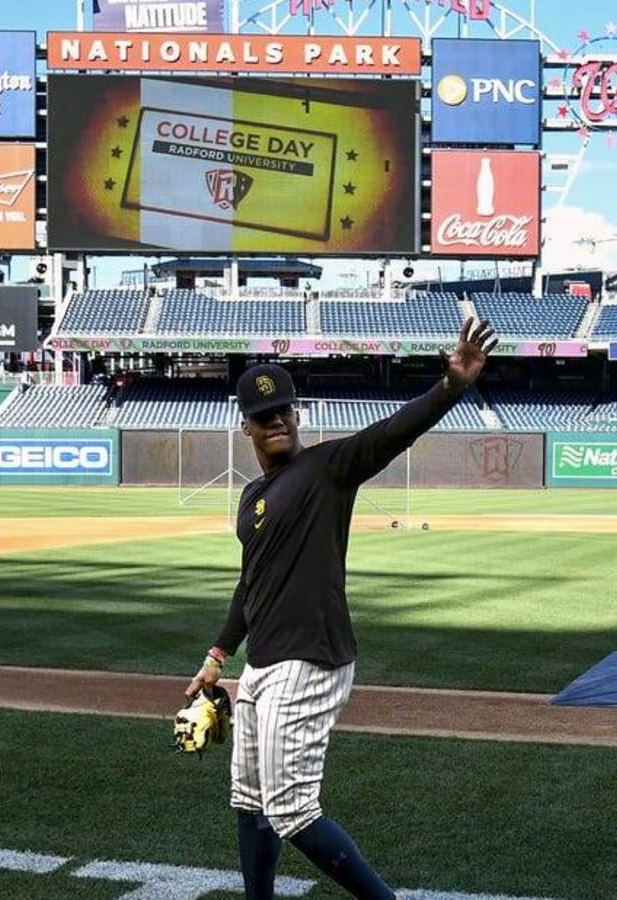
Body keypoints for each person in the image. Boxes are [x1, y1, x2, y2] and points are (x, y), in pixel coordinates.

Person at [185, 318, 499, 900]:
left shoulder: (328, 468)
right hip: (262, 666)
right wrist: (217, 655)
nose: (275, 421)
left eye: (283, 410)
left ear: (296, 414)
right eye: (262, 415)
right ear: (245, 425)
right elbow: (248, 584)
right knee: (248, 801)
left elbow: (390, 433)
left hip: (310, 658)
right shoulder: (252, 496)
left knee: (292, 809)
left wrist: (450, 389)